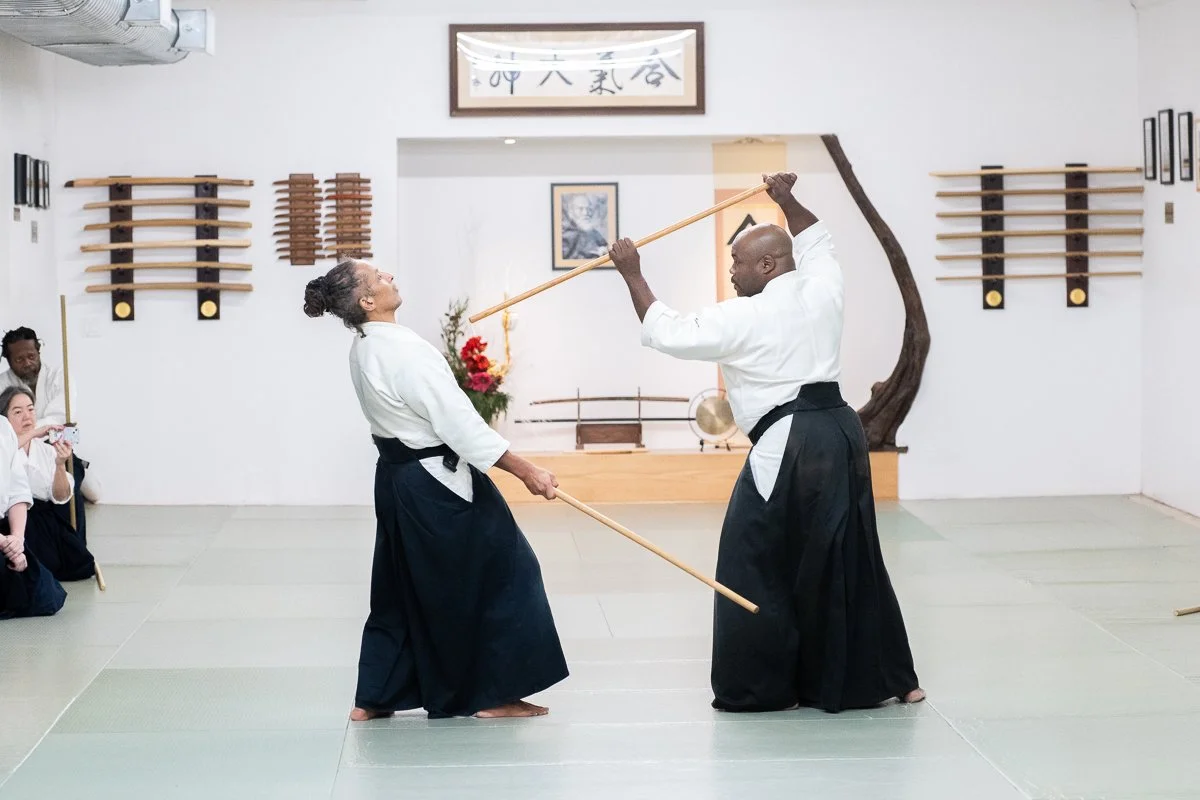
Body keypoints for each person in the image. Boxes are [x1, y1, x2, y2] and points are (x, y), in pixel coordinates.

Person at [606, 172, 924, 714]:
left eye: (738, 263)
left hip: (790, 441)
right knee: (849, 555)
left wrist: (632, 273)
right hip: (842, 432)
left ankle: (760, 688)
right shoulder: (823, 286)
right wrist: (786, 199)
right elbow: (815, 237)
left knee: (753, 559)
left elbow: (667, 331)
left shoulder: (745, 316)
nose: (732, 273)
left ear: (769, 265)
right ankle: (886, 678)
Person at [302, 259, 569, 721]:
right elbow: (458, 425)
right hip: (434, 484)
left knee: (400, 585)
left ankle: (375, 697)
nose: (388, 276)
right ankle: (491, 695)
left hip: (397, 479)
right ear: (367, 301)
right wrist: (526, 470)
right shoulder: (403, 351)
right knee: (504, 571)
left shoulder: (365, 346)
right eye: (378, 277)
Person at [1, 386, 95, 582]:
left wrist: (60, 464)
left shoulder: (46, 450)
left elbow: (61, 497)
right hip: (15, 521)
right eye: (18, 412)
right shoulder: (5, 447)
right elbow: (7, 449)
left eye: (31, 409)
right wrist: (35, 433)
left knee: (81, 564)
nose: (27, 416)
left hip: (45, 521)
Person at [1, 326, 100, 507]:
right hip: (19, 446)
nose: (27, 363)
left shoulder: (59, 375)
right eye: (19, 359)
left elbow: (62, 416)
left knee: (90, 492)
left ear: (38, 352)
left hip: (56, 442)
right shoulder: (2, 384)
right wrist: (30, 434)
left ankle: (79, 467)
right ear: (8, 360)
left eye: (31, 356)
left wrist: (34, 430)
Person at [1, 414, 66, 619]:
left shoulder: (3, 428)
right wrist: (5, 544)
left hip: (6, 533)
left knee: (45, 595)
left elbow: (17, 490)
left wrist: (17, 540)